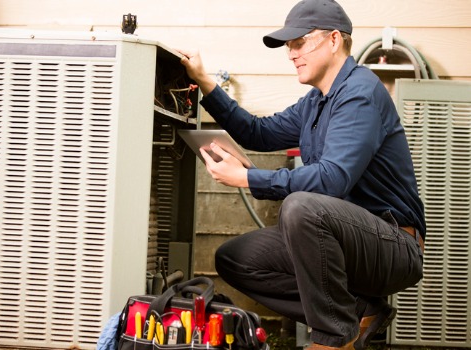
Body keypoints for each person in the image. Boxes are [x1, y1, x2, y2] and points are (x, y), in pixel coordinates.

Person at [179, 0, 425, 349]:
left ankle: (332, 338)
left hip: (392, 243)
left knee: (302, 207)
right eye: (288, 46)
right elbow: (257, 133)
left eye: (300, 42)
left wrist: (249, 179)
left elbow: (332, 179)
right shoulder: (315, 101)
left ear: (334, 40)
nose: (291, 53)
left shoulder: (360, 94)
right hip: (342, 238)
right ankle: (358, 312)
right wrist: (204, 81)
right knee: (236, 259)